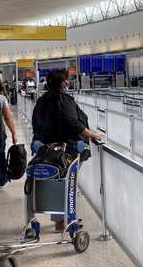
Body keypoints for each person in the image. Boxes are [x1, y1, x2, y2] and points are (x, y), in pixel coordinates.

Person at [32, 70, 101, 231]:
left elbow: (37, 123)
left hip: (47, 150)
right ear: (62, 83)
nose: (68, 82)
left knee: (57, 181)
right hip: (67, 150)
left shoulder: (42, 101)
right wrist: (92, 135)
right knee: (67, 182)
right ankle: (65, 219)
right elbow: (73, 123)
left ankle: (60, 219)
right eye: (66, 80)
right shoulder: (64, 101)